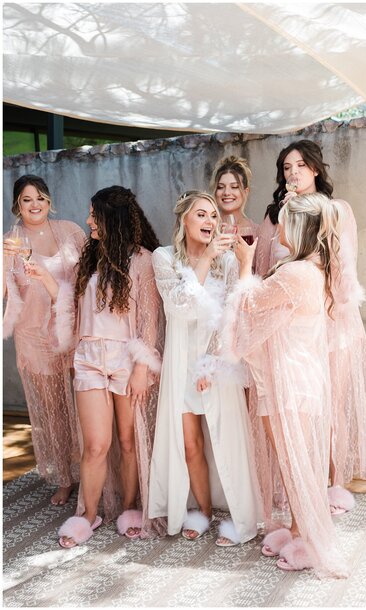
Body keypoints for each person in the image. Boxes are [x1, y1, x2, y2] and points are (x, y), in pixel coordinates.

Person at [26, 185, 164, 547]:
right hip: (88, 358)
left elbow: (149, 320)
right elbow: (70, 303)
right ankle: (87, 514)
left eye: (94, 215)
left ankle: (131, 507)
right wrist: (43, 279)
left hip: (125, 359)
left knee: (128, 441)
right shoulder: (88, 257)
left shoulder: (143, 260)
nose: (88, 221)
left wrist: (141, 369)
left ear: (112, 218)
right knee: (96, 445)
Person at [225, 193, 348, 577]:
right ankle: (297, 530)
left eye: (282, 222)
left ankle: (311, 542)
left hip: (291, 380)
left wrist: (244, 266)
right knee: (293, 462)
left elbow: (248, 304)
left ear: (298, 228)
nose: (276, 229)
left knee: (297, 466)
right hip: (297, 375)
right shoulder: (310, 268)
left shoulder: (296, 273)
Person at [255, 140, 366, 510]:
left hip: (328, 321)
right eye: (286, 167)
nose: (292, 173)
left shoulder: (336, 210)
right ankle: (296, 489)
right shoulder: (273, 214)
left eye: (299, 165)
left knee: (328, 405)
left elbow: (344, 268)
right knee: (295, 409)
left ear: (314, 169)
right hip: (290, 330)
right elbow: (264, 270)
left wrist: (330, 314)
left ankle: (330, 483)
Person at [148, 191, 263, 546]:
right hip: (180, 359)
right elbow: (179, 307)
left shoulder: (226, 262)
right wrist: (203, 261)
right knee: (190, 444)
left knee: (225, 439)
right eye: (201, 215)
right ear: (184, 219)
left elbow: (231, 316)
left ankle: (243, 520)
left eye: (213, 216)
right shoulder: (163, 257)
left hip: (216, 362)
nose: (210, 222)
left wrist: (210, 365)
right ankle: (202, 511)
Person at [3, 175, 85, 506]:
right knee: (52, 409)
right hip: (34, 335)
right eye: (26, 199)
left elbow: (87, 279)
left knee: (81, 402)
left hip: (73, 328)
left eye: (40, 198)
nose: (34, 204)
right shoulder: (10, 240)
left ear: (49, 201)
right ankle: (63, 477)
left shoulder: (70, 231)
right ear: (16, 205)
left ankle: (90, 468)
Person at [210, 155, 259, 243]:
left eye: (234, 187)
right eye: (220, 187)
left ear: (246, 192)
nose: (226, 192)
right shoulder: (207, 229)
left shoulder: (257, 232)